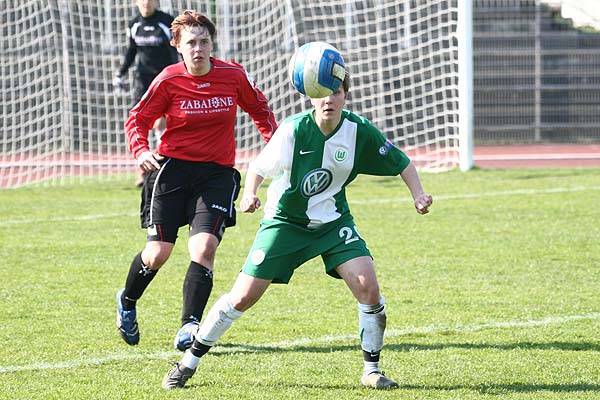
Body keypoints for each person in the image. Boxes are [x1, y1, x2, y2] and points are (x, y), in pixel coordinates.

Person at [161, 71, 433, 390]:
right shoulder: (293, 129)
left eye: (336, 92)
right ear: (311, 96)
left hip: (333, 222)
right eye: (322, 93)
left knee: (368, 287)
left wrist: (418, 194)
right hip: (285, 222)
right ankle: (188, 363)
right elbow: (258, 168)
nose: (329, 99)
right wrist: (250, 194)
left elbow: (401, 161)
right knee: (242, 296)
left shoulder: (357, 130)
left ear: (346, 96)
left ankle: (371, 371)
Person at [115, 10, 278, 353]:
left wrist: (277, 148)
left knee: (204, 248)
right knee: (157, 254)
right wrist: (140, 150)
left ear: (212, 44)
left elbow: (260, 110)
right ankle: (127, 301)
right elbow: (138, 118)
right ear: (177, 45)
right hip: (172, 172)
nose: (198, 49)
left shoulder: (233, 75)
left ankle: (190, 325)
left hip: (216, 174)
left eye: (204, 41)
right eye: (191, 43)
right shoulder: (168, 80)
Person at [113, 0, 180, 187]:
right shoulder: (134, 24)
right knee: (139, 122)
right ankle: (143, 167)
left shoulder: (167, 21)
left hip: (164, 81)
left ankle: (162, 165)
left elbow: (176, 51)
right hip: (142, 82)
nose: (146, 3)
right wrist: (120, 73)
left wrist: (178, 75)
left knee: (161, 124)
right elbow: (131, 51)